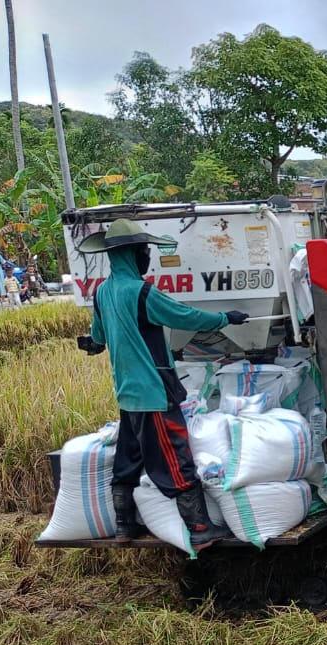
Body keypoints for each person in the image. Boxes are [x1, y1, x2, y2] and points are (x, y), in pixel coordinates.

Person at [75, 219, 250, 549]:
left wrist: (95, 343)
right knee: (175, 456)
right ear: (130, 254)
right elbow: (184, 317)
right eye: (143, 251)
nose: (148, 257)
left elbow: (97, 337)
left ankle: (125, 527)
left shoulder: (102, 292)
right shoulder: (142, 293)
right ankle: (199, 528)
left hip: (127, 393)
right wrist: (226, 318)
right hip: (154, 391)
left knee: (128, 459)